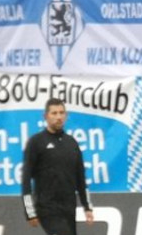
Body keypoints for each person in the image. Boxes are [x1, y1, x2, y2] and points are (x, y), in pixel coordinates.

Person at [21, 98, 94, 234]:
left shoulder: (72, 143)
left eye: (61, 113)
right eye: (54, 113)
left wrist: (87, 207)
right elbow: (26, 180)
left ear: (66, 116)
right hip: (47, 208)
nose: (58, 117)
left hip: (68, 208)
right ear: (46, 116)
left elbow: (81, 179)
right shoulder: (36, 142)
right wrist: (29, 212)